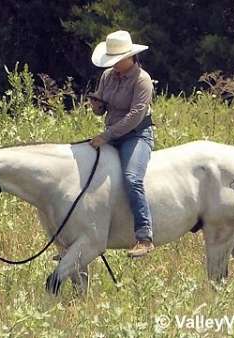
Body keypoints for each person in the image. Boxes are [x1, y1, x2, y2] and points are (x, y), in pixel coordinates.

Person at [88, 30, 155, 258]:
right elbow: (102, 107)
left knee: (131, 178)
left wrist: (106, 136)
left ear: (131, 57)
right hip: (112, 132)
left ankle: (144, 236)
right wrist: (97, 106)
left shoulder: (142, 80)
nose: (114, 65)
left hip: (136, 135)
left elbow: (135, 116)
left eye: (117, 60)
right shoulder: (107, 76)